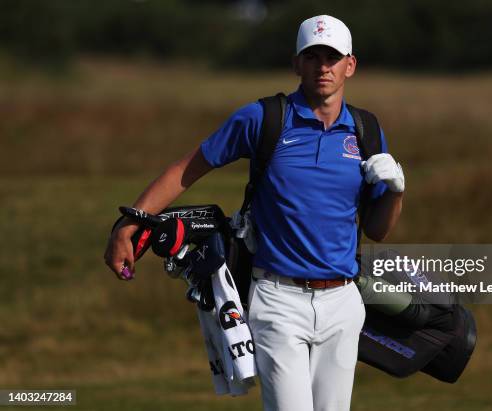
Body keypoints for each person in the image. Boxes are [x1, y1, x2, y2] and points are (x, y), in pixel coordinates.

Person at [104, 14, 404, 411]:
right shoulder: (264, 119)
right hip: (278, 299)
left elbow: (378, 231)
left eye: (332, 57)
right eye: (312, 56)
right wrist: (130, 223)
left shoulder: (366, 129)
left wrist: (396, 191)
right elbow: (186, 169)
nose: (323, 67)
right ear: (297, 63)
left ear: (350, 64)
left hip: (343, 300)